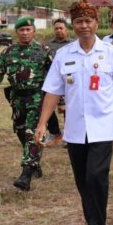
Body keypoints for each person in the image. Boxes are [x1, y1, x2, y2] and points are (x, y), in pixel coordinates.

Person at [35, 0, 113, 225]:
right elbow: (51, 93)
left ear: (96, 23)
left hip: (103, 129)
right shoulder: (64, 55)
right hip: (75, 131)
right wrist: (41, 124)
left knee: (96, 177)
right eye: (79, 21)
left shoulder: (111, 54)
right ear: (74, 24)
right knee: (83, 182)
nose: (84, 26)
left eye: (89, 21)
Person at [0, 17, 53, 191]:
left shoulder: (43, 51)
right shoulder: (7, 52)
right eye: (22, 30)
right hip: (17, 99)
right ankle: (35, 163)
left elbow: (55, 78)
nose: (25, 33)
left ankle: (26, 173)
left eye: (28, 29)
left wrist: (61, 101)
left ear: (33, 31)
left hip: (37, 98)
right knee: (20, 131)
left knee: (32, 133)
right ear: (17, 32)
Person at [45, 18, 73, 146]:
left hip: (70, 81)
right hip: (53, 82)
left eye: (61, 28)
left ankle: (69, 135)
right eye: (56, 28)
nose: (59, 31)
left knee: (70, 110)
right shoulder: (47, 46)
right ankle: (54, 132)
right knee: (47, 108)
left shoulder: (74, 44)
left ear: (66, 29)